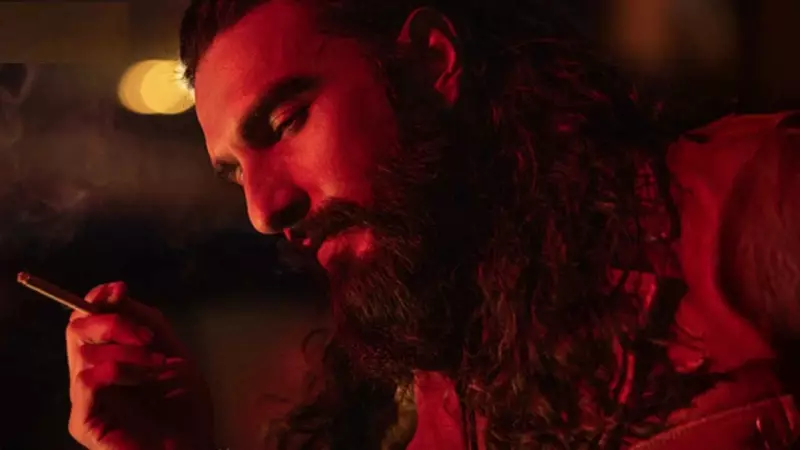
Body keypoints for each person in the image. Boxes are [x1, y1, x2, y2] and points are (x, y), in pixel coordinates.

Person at [63, 0, 800, 449]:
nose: (262, 210)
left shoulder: (748, 203)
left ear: (428, 63)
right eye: (234, 172)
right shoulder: (415, 388)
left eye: (286, 123)